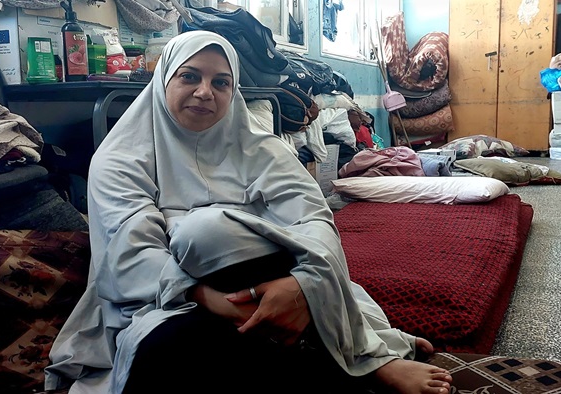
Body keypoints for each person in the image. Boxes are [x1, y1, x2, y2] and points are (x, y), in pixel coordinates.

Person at [45, 30, 452, 394]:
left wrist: (301, 287)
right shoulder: (120, 159)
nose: (205, 92)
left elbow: (314, 220)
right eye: (190, 76)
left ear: (234, 90)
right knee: (172, 339)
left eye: (221, 82)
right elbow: (130, 257)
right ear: (163, 80)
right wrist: (218, 301)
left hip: (278, 278)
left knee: (220, 240)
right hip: (168, 298)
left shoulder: (262, 150)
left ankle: (354, 354)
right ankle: (344, 353)